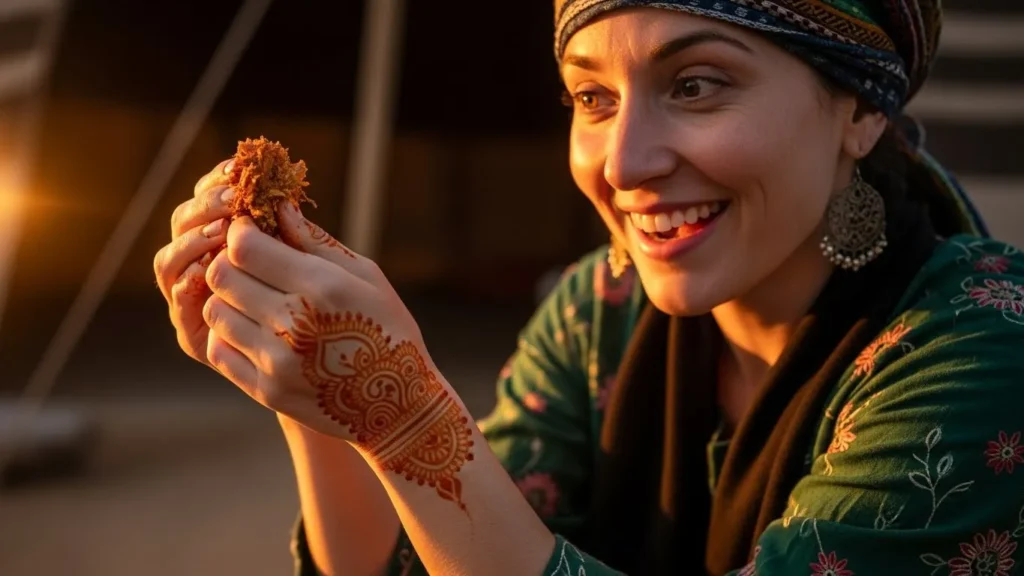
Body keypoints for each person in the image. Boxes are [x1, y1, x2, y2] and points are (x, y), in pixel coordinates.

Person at [153, 0, 1024, 574]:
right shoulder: (595, 309)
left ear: (862, 108)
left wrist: (407, 417)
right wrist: (324, 398)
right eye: (592, 97)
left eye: (696, 85)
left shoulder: (984, 353)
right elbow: (441, 554)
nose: (626, 163)